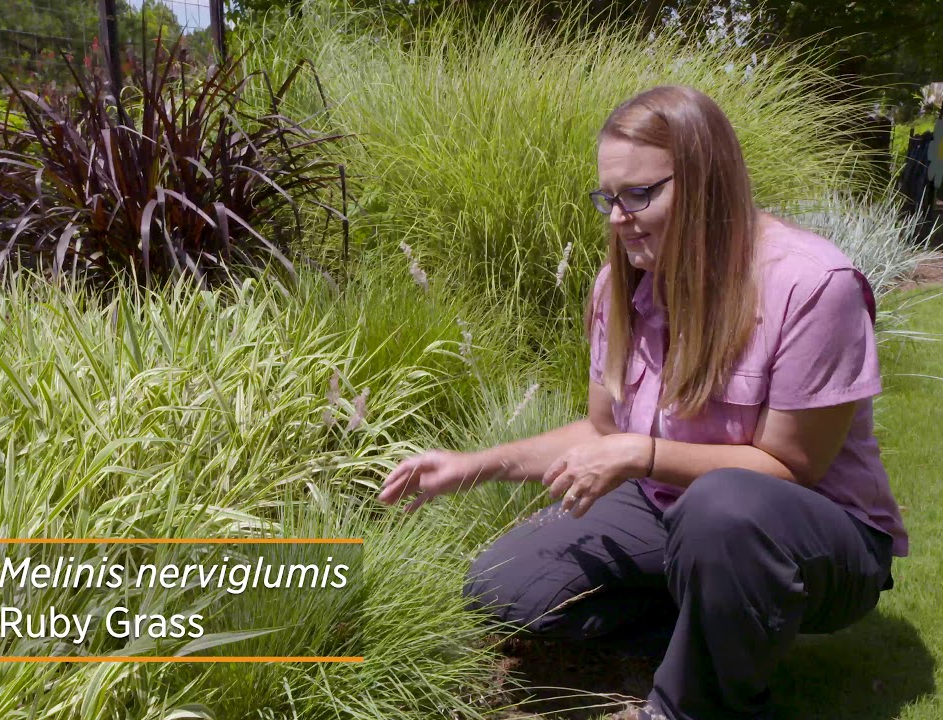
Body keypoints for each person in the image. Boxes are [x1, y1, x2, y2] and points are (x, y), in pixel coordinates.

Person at [377, 85, 909, 720]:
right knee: (503, 589)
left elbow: (793, 467)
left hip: (812, 533)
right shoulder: (621, 283)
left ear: (707, 181)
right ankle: (718, 633)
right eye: (608, 197)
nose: (615, 217)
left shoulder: (813, 284)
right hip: (677, 514)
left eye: (638, 195)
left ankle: (692, 705)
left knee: (724, 511)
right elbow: (603, 429)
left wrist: (646, 453)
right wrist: (473, 465)